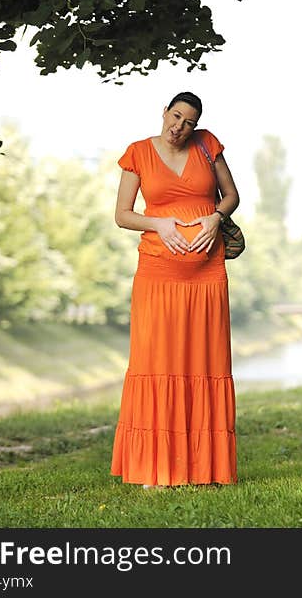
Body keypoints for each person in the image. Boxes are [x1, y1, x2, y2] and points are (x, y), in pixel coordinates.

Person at [110, 91, 240, 488]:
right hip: (157, 273)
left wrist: (216, 218)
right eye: (176, 116)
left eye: (188, 122)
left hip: (206, 274)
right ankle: (155, 470)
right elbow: (122, 215)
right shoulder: (137, 153)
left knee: (204, 362)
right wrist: (160, 224)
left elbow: (232, 196)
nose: (179, 127)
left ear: (196, 125)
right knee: (156, 361)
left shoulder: (207, 146)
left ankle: (206, 470)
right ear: (163, 112)